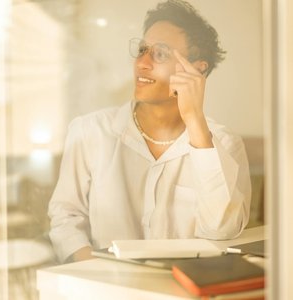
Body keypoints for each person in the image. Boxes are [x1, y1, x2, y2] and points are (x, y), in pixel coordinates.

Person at [48, 0, 251, 263]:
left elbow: (222, 230)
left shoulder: (224, 143)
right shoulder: (90, 131)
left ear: (196, 70)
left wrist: (195, 120)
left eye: (161, 53)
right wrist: (94, 272)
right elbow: (65, 215)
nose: (142, 63)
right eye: (143, 49)